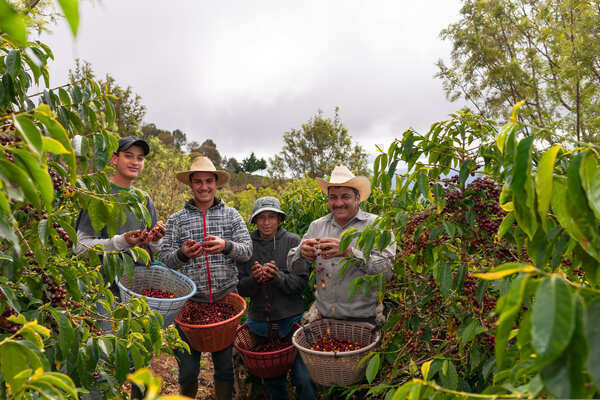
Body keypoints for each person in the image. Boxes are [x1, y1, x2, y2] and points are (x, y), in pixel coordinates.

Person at [73, 136, 166, 400]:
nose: (135, 162)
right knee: (105, 355)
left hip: (137, 291)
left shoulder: (143, 199)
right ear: (114, 159)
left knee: (140, 355)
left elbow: (155, 247)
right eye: (129, 155)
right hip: (104, 290)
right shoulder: (99, 197)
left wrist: (156, 237)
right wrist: (121, 242)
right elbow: (80, 246)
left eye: (140, 157)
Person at [158, 156, 252, 399]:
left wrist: (226, 245)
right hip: (190, 304)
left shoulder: (231, 215)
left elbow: (247, 250)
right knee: (188, 369)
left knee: (224, 368)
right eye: (198, 181)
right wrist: (182, 253)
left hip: (225, 302)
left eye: (209, 181)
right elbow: (166, 257)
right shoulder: (177, 220)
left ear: (216, 183)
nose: (204, 187)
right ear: (190, 184)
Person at [288, 165, 396, 324]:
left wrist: (349, 252)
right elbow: (294, 268)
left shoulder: (377, 226)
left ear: (357, 198)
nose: (338, 203)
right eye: (333, 197)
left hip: (365, 319)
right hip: (324, 318)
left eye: (345, 196)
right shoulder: (317, 226)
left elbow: (387, 271)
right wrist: (301, 254)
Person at [237, 197, 317, 400]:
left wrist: (277, 277)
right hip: (260, 325)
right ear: (254, 221)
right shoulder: (247, 244)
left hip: (291, 321)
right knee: (273, 381)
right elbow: (241, 288)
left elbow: (301, 284)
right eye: (261, 218)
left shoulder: (292, 241)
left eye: (271, 217)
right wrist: (255, 279)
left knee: (304, 378)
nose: (266, 222)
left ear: (279, 218)